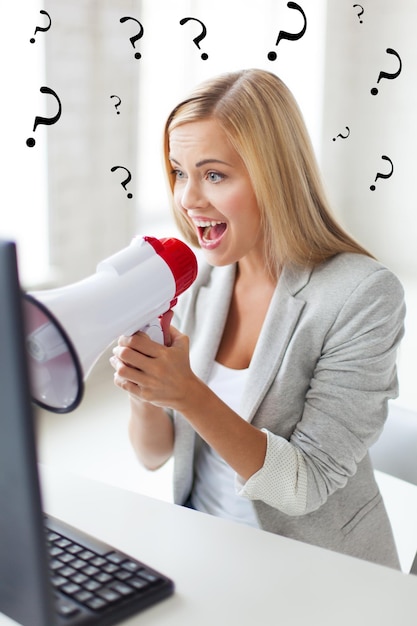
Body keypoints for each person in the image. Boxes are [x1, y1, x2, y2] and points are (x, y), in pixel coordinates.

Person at [110, 68, 405, 568]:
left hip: (314, 571)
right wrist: (145, 387)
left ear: (275, 175)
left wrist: (186, 392)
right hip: (203, 551)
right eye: (180, 172)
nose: (188, 199)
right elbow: (153, 454)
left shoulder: (363, 295)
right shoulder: (199, 282)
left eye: (214, 174)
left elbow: (305, 484)